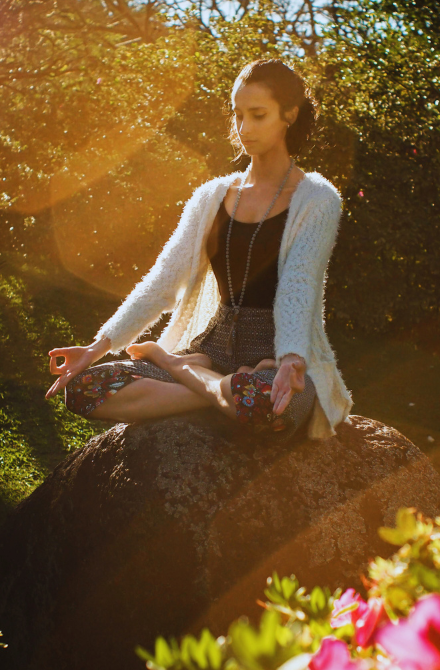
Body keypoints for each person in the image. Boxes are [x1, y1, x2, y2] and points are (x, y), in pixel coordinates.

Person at [46, 59, 353, 441]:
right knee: (84, 389)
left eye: (258, 115)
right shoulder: (212, 197)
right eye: (238, 115)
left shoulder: (318, 199)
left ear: (289, 114)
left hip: (275, 356)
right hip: (212, 345)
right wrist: (96, 348)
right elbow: (162, 281)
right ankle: (206, 381)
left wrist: (292, 357)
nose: (244, 129)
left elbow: (299, 283)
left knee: (265, 404)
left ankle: (175, 366)